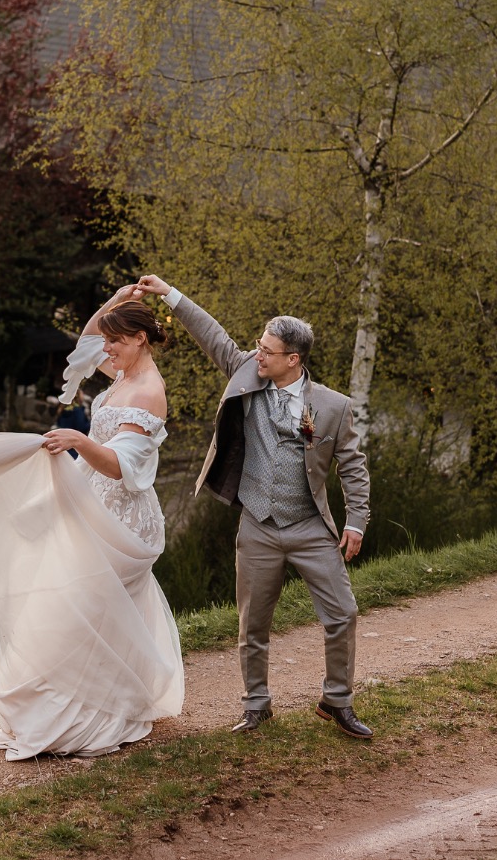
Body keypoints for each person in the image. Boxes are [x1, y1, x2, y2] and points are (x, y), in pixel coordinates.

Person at [0, 285, 184, 760]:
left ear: (140, 339)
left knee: (82, 607)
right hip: (91, 503)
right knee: (88, 608)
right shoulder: (122, 373)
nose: (106, 350)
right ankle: (91, 699)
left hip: (121, 518)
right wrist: (114, 299)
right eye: (109, 342)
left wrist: (78, 440)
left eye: (116, 341)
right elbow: (86, 342)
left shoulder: (148, 390)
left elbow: (121, 465)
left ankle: (94, 709)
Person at [133, 273, 375, 740]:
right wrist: (171, 295)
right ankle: (257, 705)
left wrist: (357, 522)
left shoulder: (332, 406)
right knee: (253, 623)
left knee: (343, 612)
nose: (257, 354)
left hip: (310, 527)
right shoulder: (246, 370)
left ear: (293, 359)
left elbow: (354, 467)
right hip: (258, 526)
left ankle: (337, 700)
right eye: (258, 347)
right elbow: (212, 335)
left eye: (267, 350)